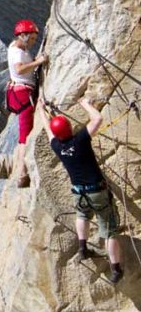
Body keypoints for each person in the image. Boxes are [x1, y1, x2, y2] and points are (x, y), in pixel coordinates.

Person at [45, 98, 123, 284]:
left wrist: (42, 110)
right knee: (110, 232)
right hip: (97, 192)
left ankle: (83, 247)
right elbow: (97, 119)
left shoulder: (58, 147)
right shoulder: (80, 140)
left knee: (82, 216)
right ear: (70, 129)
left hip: (79, 194)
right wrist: (84, 104)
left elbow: (50, 131)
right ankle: (116, 269)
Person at [7, 19, 48, 188]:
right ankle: (22, 174)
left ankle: (21, 171)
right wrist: (38, 62)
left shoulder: (16, 47)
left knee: (23, 135)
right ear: (22, 36)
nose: (32, 42)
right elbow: (19, 69)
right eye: (31, 38)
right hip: (23, 94)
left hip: (17, 92)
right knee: (24, 137)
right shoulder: (17, 51)